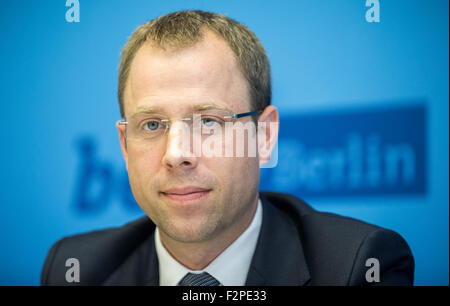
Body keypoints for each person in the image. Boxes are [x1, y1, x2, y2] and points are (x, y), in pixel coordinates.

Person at [41, 10, 414, 286]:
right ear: (124, 145)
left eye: (207, 122)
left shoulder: (357, 265)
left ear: (264, 137)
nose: (175, 154)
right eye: (152, 125)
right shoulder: (74, 269)